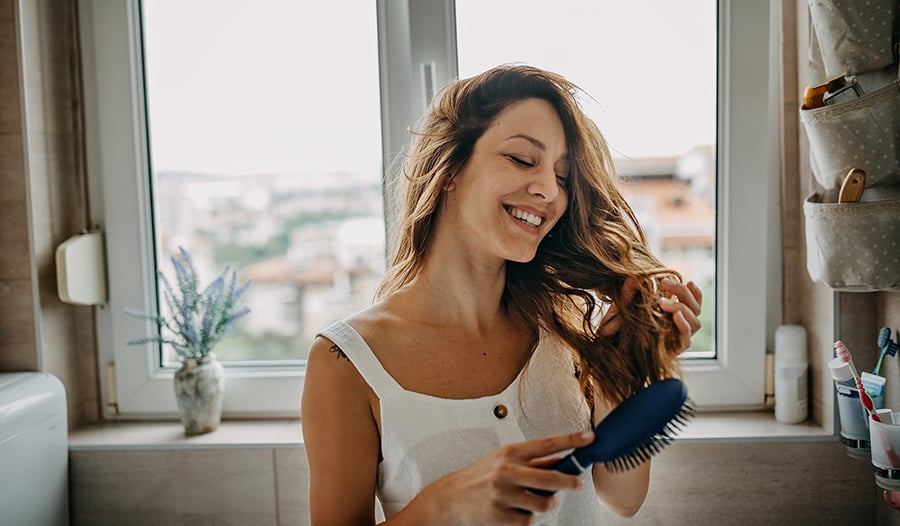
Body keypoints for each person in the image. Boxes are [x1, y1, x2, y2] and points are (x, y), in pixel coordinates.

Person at [301, 64, 703, 525]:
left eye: (564, 176)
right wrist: (443, 505)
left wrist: (624, 363)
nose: (549, 190)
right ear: (449, 168)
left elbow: (623, 497)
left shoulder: (566, 329)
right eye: (522, 159)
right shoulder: (347, 364)